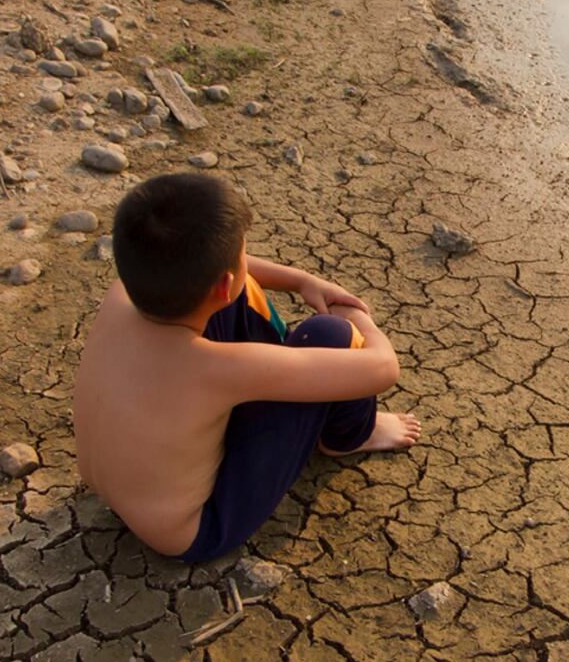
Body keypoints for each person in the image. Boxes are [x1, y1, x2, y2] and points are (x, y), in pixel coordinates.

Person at [73, 172, 420, 562]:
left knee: (232, 292)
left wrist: (301, 281)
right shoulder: (217, 369)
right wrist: (358, 317)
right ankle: (350, 436)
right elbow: (383, 367)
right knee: (331, 333)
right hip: (198, 529)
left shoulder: (122, 294)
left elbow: (223, 272)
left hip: (120, 491)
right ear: (223, 282)